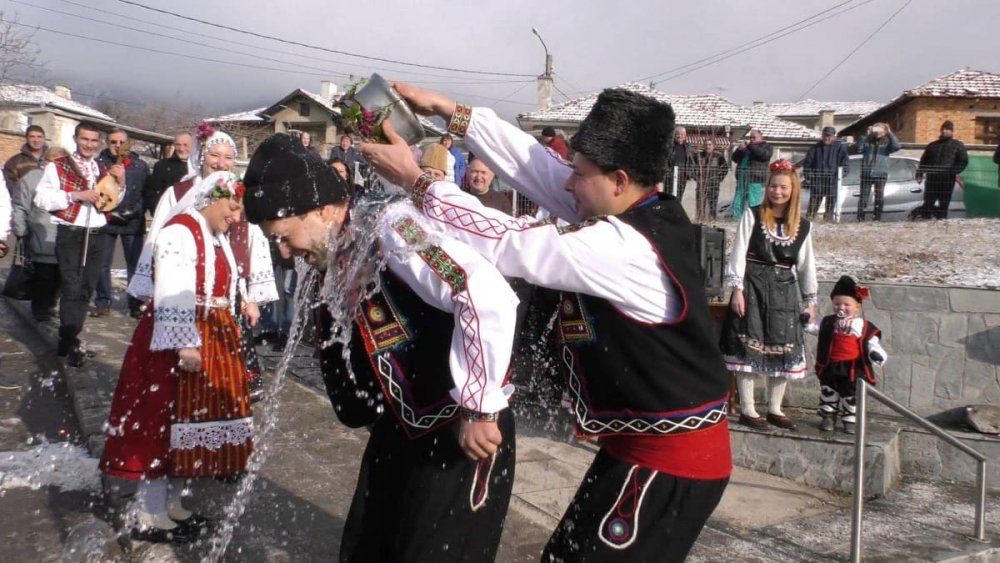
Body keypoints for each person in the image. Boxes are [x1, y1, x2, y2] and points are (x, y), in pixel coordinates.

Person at [362, 84, 732, 563]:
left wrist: (418, 182)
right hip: (641, 446)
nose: (567, 184)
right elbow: (537, 165)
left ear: (619, 180)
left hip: (670, 462)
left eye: (579, 173)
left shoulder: (623, 249)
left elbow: (509, 242)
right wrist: (453, 113)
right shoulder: (634, 209)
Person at [243, 133, 519, 562]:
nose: (283, 252)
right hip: (402, 427)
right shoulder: (337, 247)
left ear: (321, 210)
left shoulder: (392, 227)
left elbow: (483, 292)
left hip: (459, 430)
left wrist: (479, 408)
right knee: (366, 548)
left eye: (283, 236)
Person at [100, 172, 250, 543]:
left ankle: (173, 505)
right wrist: (185, 343)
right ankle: (149, 513)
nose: (235, 216)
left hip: (209, 335)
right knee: (163, 418)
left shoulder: (214, 235)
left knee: (188, 423)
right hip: (178, 339)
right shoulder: (179, 231)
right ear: (211, 199)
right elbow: (173, 287)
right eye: (231, 207)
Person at [132, 124, 277, 397]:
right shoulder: (178, 194)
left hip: (229, 288)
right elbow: (158, 242)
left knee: (230, 354)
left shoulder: (238, 191)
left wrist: (252, 296)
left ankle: (229, 390)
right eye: (215, 155)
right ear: (202, 156)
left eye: (228, 157)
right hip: (188, 289)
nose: (221, 163)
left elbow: (254, 241)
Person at [721, 159, 817, 431]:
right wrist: (736, 289)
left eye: (783, 187)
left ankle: (775, 408)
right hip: (753, 284)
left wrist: (810, 301)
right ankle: (748, 409)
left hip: (784, 289)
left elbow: (807, 264)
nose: (777, 191)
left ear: (793, 190)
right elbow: (739, 252)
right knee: (748, 343)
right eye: (774, 186)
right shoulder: (752, 215)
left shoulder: (803, 225)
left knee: (783, 345)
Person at [33, 122, 126, 367]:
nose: (89, 145)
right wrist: (75, 196)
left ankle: (71, 335)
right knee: (72, 286)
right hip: (72, 233)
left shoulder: (101, 167)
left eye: (94, 141)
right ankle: (69, 339)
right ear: (76, 139)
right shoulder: (58, 166)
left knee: (86, 288)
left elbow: (112, 200)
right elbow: (41, 198)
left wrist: (121, 182)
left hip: (97, 231)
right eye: (85, 139)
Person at [807, 275, 886, 434]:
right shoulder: (829, 322)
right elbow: (815, 328)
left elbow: (871, 342)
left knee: (850, 394)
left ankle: (851, 419)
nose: (841, 307)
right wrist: (806, 320)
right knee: (828, 391)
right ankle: (828, 416)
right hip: (830, 364)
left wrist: (875, 353)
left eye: (846, 304)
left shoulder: (862, 325)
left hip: (851, 367)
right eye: (837, 304)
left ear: (857, 306)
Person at [94, 129, 149, 318]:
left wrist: (136, 211)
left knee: (134, 265)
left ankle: (135, 304)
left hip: (131, 221)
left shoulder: (139, 166)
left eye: (121, 142)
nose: (117, 146)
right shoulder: (98, 164)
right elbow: (97, 190)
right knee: (102, 263)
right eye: (113, 142)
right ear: (107, 143)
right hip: (107, 220)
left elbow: (145, 193)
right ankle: (102, 302)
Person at [11, 146, 70, 321]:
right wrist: (21, 231)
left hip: (64, 236)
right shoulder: (32, 179)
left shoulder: (69, 180)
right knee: (43, 276)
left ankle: (51, 304)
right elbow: (20, 206)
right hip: (40, 234)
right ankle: (40, 309)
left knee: (60, 276)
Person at [916, 120, 968, 220]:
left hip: (947, 179)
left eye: (947, 129)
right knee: (928, 203)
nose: (944, 131)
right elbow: (923, 160)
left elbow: (963, 161)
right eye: (942, 129)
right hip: (932, 178)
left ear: (952, 131)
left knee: (944, 204)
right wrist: (919, 172)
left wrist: (953, 171)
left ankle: (941, 222)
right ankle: (926, 221)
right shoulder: (932, 145)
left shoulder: (958, 145)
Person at [854, 122, 900, 221]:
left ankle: (877, 217)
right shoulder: (868, 141)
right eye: (876, 130)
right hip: (867, 172)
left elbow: (896, 147)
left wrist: (890, 133)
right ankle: (860, 217)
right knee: (863, 197)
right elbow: (858, 148)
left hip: (880, 172)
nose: (878, 132)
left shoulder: (887, 142)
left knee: (879, 197)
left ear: (884, 131)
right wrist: (866, 134)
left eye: (880, 130)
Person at [803, 126, 850, 220]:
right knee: (815, 199)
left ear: (833, 137)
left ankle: (828, 219)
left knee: (831, 200)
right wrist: (810, 177)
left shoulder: (839, 147)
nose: (826, 138)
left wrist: (840, 176)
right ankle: (810, 218)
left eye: (829, 136)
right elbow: (807, 164)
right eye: (825, 135)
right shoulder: (815, 148)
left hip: (832, 179)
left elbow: (845, 164)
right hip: (818, 179)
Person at [143, 132, 193, 217]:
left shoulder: (197, 168)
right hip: (165, 215)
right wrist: (157, 213)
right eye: (178, 145)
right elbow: (152, 193)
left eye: (185, 145)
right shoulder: (161, 166)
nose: (181, 148)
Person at [731, 129, 773, 219]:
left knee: (753, 201)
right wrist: (739, 150)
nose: (752, 139)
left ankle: (753, 219)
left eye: (754, 137)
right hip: (742, 177)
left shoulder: (766, 146)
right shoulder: (747, 148)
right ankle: (736, 218)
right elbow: (734, 159)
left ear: (761, 137)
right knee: (738, 200)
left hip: (755, 178)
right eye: (750, 137)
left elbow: (764, 156)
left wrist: (751, 146)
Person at [3, 125, 48, 191]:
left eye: (39, 137)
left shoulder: (53, 160)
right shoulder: (14, 162)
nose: (36, 140)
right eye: (32, 137)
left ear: (44, 138)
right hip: (24, 200)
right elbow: (10, 186)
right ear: (26, 138)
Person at [694, 138, 729, 220]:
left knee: (713, 204)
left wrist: (718, 179)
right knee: (700, 204)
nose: (708, 146)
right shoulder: (698, 156)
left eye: (710, 145)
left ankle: (712, 219)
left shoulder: (719, 156)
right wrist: (696, 178)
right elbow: (692, 168)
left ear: (713, 146)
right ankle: (699, 219)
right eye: (706, 144)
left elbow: (725, 169)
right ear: (703, 145)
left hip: (714, 184)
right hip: (701, 184)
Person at [664, 125, 695, 201]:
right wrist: (667, 172)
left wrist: (689, 173)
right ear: (675, 135)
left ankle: (676, 212)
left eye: (682, 134)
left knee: (678, 198)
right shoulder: (670, 147)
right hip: (670, 176)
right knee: (667, 197)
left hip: (682, 177)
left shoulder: (688, 148)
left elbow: (692, 162)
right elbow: (665, 160)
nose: (680, 136)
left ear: (685, 136)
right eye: (678, 134)